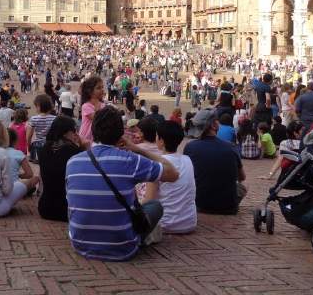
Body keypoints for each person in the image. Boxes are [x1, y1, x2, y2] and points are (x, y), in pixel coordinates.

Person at [65, 106, 179, 261]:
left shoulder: (73, 162)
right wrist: (137, 149)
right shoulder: (129, 160)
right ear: (120, 134)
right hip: (123, 247)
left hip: (80, 244)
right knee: (155, 206)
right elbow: (173, 174)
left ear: (93, 130)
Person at [184, 108, 247, 215]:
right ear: (214, 125)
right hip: (228, 207)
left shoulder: (190, 147)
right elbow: (242, 177)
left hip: (199, 204)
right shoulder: (231, 147)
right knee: (243, 186)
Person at [146, 121, 196, 234]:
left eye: (157, 136)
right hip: (189, 223)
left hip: (164, 224)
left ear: (161, 141)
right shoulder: (188, 160)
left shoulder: (156, 165)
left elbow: (148, 201)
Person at [38, 115, 85, 221]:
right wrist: (82, 147)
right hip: (66, 209)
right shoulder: (75, 153)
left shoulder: (44, 149)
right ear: (65, 133)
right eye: (74, 131)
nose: (76, 134)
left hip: (45, 208)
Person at [26, 94, 56, 162]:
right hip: (51, 145)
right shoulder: (55, 119)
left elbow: (29, 136)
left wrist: (29, 146)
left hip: (38, 146)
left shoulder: (34, 119)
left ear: (39, 107)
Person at [78, 76, 105, 144]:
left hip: (97, 138)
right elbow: (97, 118)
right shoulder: (86, 106)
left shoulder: (103, 105)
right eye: (98, 88)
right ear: (90, 92)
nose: (102, 89)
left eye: (102, 87)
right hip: (86, 138)